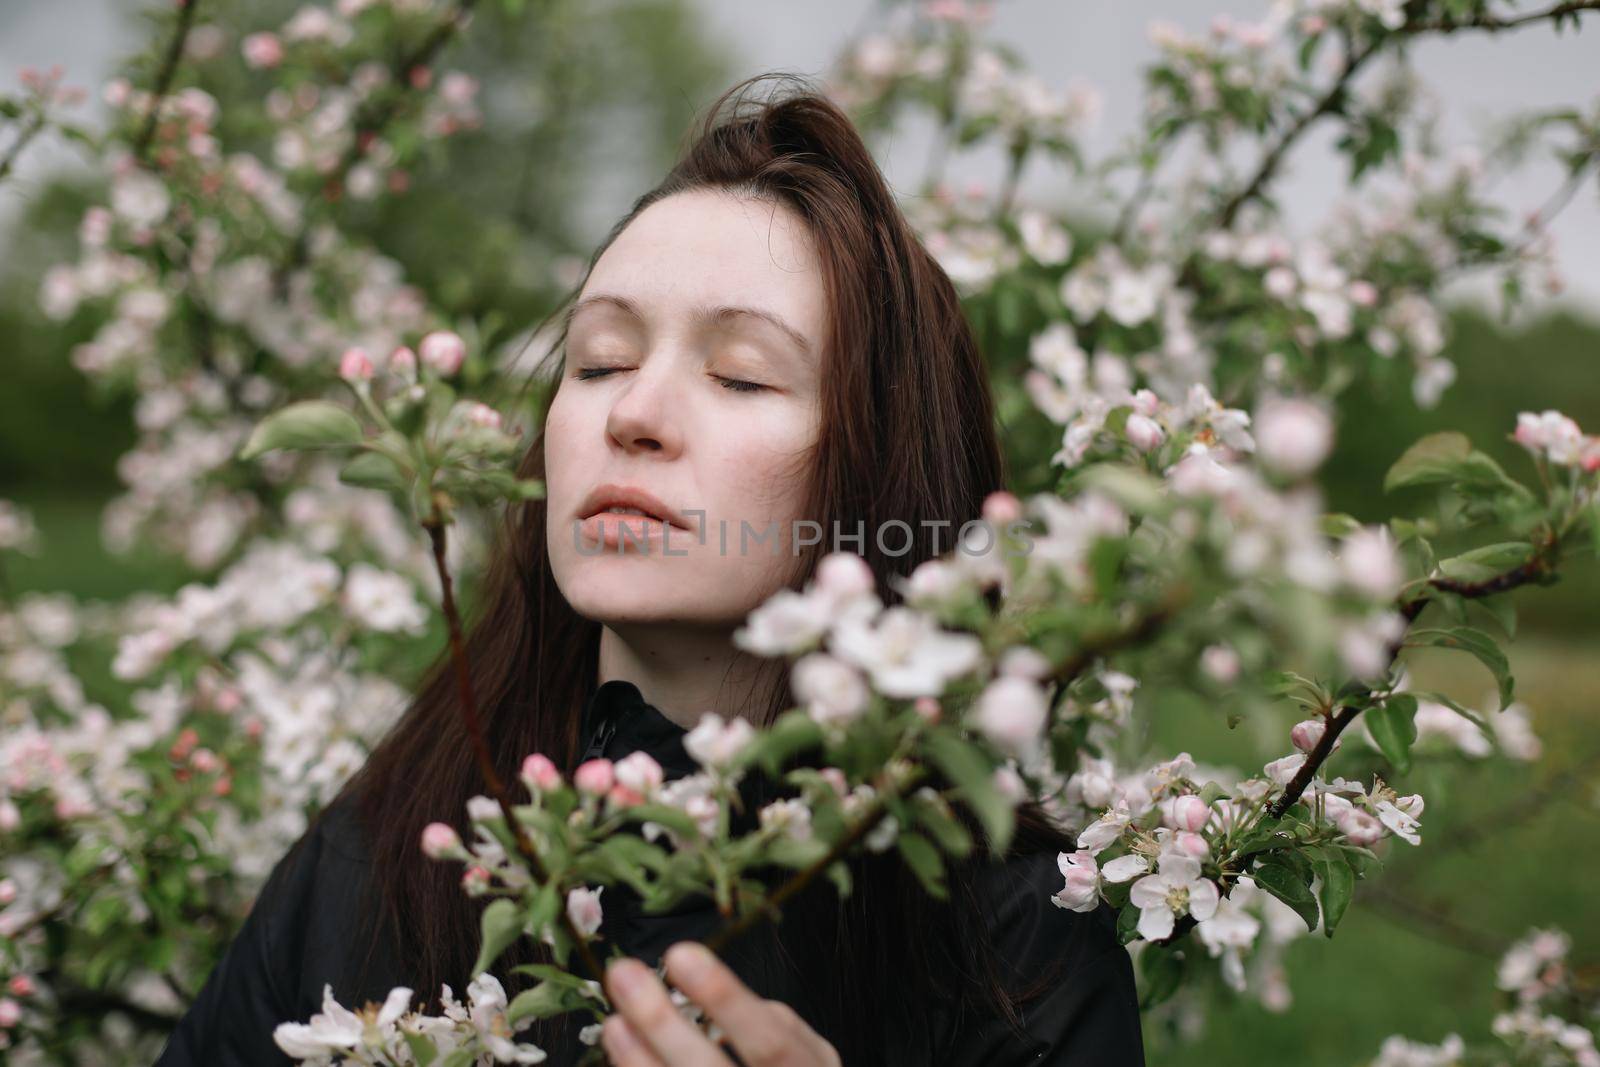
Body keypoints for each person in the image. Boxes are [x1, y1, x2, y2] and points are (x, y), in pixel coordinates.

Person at [153, 74, 1144, 1066]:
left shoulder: (1016, 938)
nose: (633, 412)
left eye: (741, 372)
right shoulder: (388, 854)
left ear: (877, 468)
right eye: (599, 359)